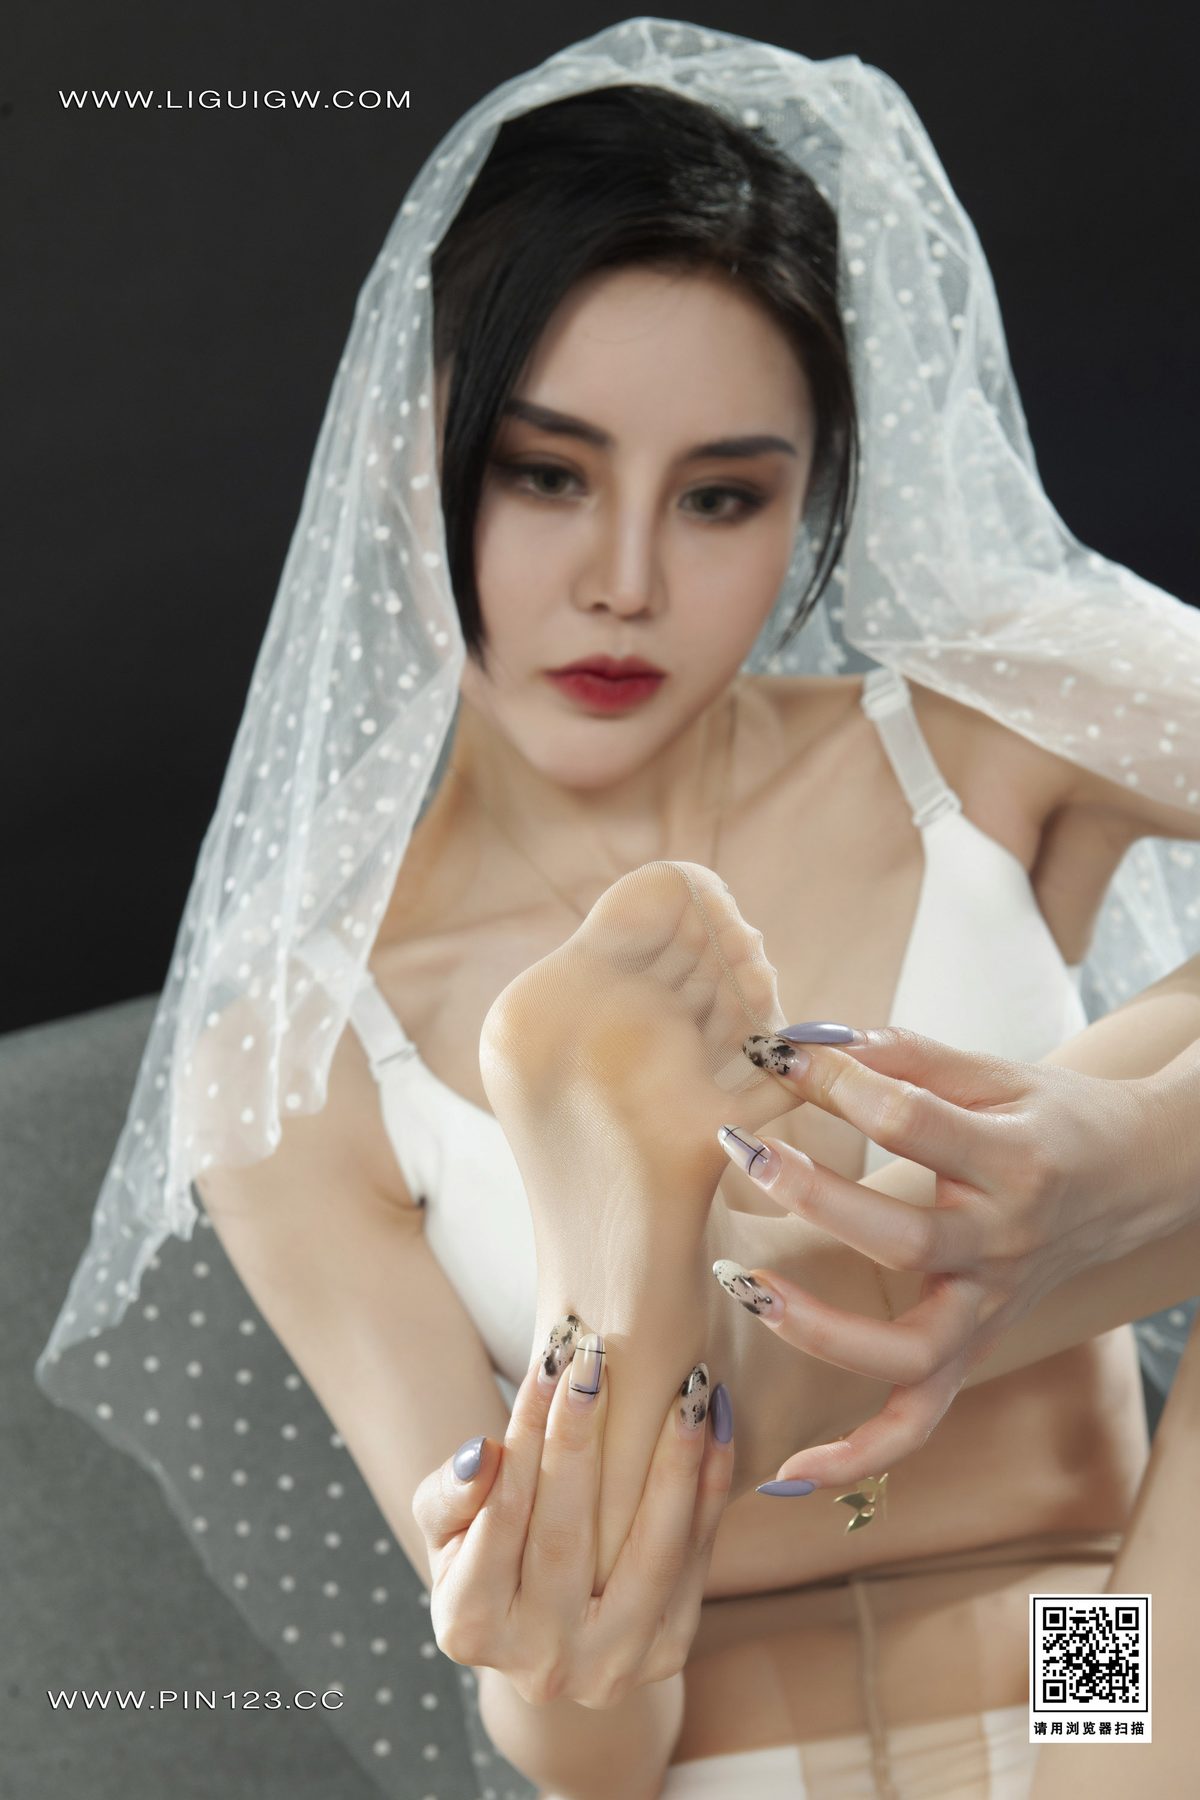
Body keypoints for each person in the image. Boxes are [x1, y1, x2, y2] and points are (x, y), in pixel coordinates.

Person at [34, 19, 1200, 1800]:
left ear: (817, 501)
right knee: (559, 1594)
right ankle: (640, 1344)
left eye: (722, 497)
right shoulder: (300, 1053)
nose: (625, 582)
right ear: (400, 463)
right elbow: (585, 1740)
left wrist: (1126, 1155)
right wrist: (527, 1592)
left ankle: (652, 1316)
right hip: (719, 1761)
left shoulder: (984, 741)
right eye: (545, 473)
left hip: (1108, 1682)